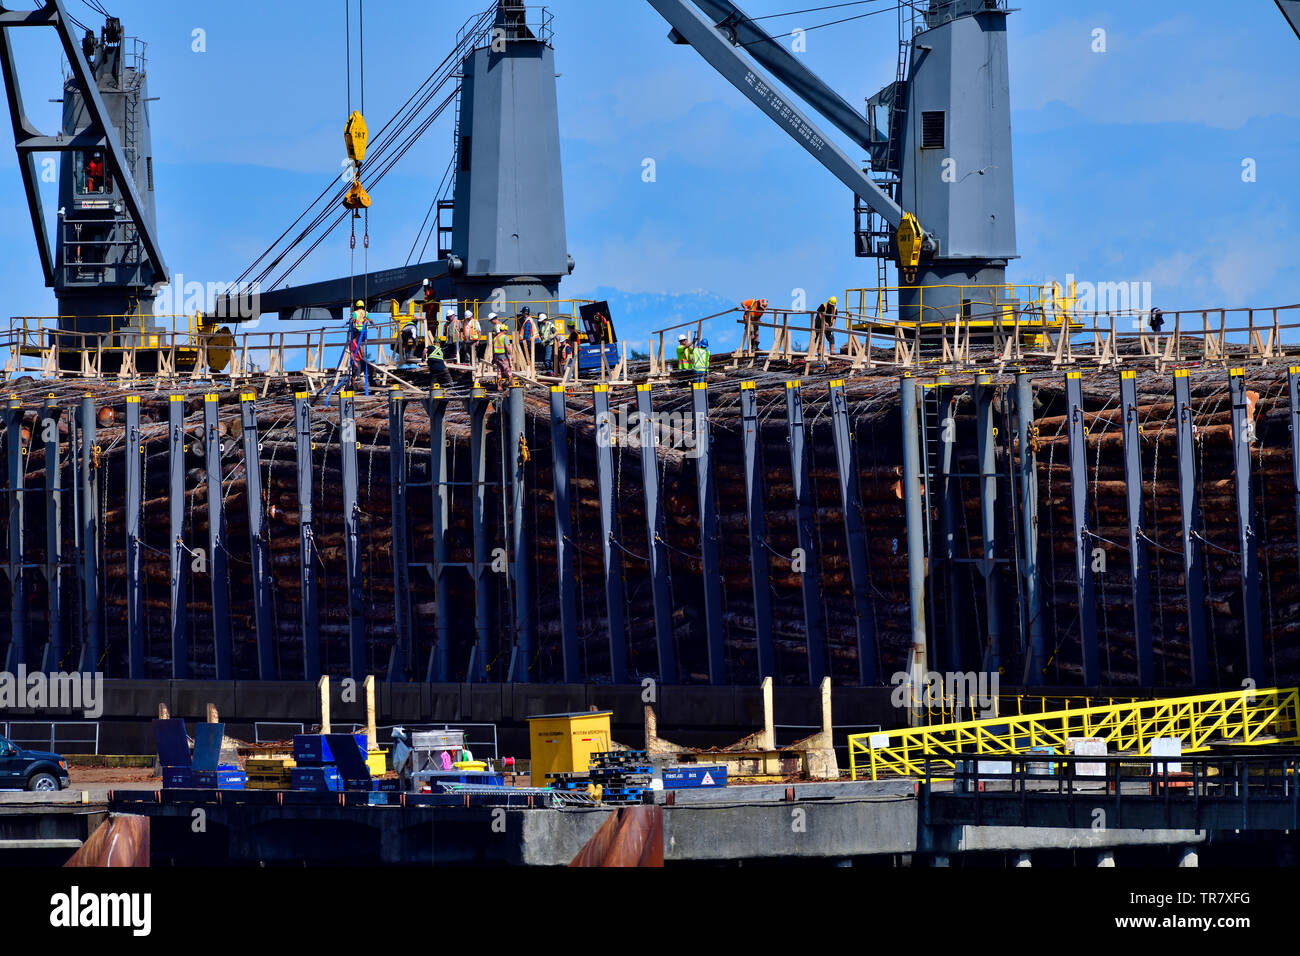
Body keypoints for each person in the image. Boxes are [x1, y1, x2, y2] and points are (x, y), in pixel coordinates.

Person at [490, 315, 512, 388]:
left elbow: (493, 349)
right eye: (506, 331)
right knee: (508, 371)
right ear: (504, 330)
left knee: (499, 371)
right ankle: (511, 385)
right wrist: (510, 354)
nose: (507, 332)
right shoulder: (504, 337)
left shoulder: (495, 338)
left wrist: (493, 358)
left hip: (497, 357)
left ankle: (499, 386)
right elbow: (507, 346)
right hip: (503, 356)